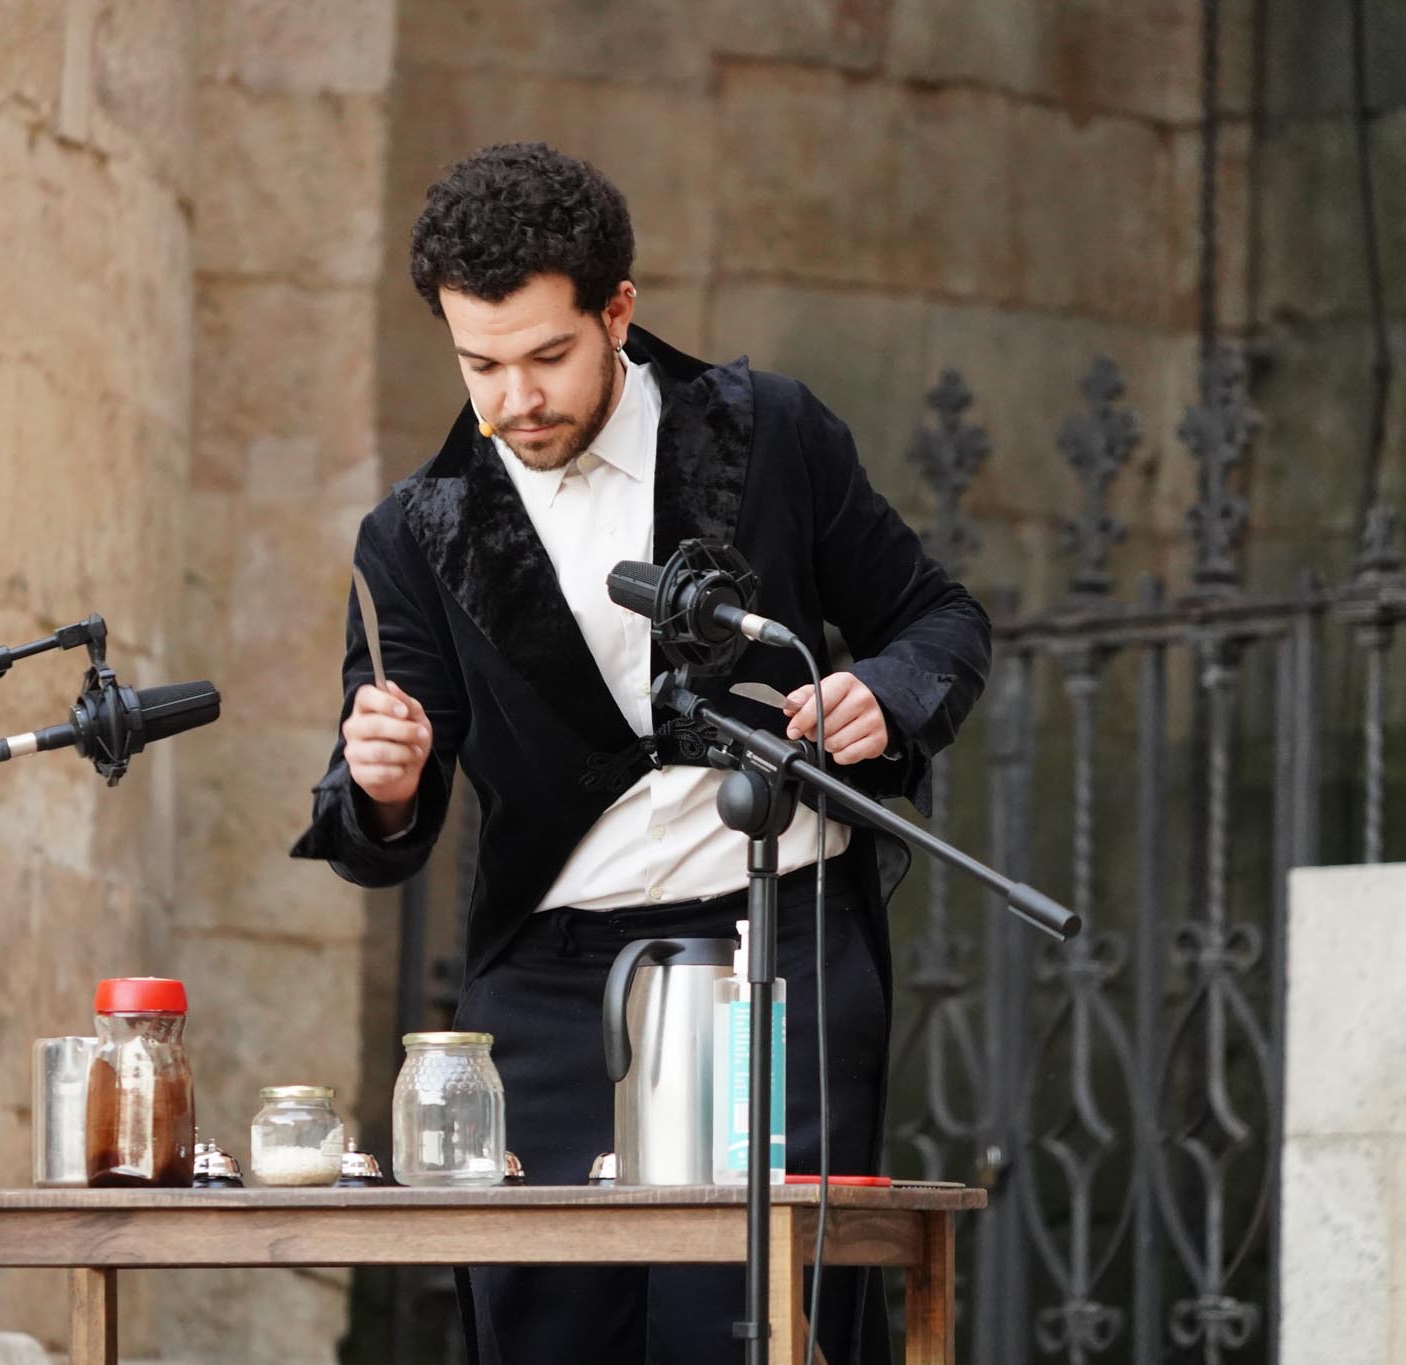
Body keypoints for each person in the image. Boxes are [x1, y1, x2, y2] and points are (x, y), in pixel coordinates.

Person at [290, 142, 991, 1365]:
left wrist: (882, 689)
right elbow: (376, 817)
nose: (514, 401)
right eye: (480, 365)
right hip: (555, 992)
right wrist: (384, 783)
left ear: (617, 310)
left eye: (546, 356)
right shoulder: (414, 530)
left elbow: (938, 618)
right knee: (549, 1331)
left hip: (781, 956)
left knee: (759, 1332)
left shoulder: (766, 431)